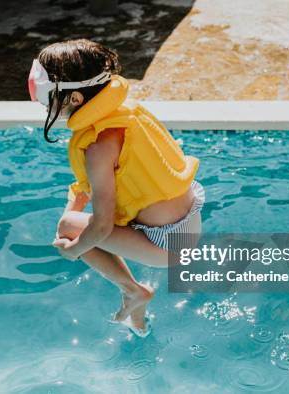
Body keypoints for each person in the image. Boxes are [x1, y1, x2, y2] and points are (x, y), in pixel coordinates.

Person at [28, 39, 204, 337]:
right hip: (189, 220)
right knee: (69, 221)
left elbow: (102, 227)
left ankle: (133, 291)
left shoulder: (98, 147)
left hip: (168, 246)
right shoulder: (125, 113)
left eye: (48, 98)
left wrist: (75, 250)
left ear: (75, 100)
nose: (45, 106)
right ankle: (135, 298)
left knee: (69, 229)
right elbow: (93, 186)